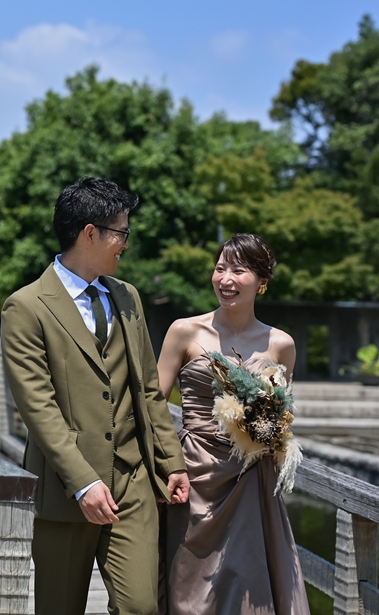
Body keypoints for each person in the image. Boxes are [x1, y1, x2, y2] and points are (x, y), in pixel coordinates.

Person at [1, 177, 190, 615]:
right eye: (122, 232)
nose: (126, 243)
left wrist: (172, 461)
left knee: (141, 608)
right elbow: (38, 408)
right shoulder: (26, 307)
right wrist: (83, 483)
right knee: (59, 609)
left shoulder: (128, 297)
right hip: (66, 489)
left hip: (133, 479)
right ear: (90, 233)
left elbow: (147, 389)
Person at [156, 233, 310, 614]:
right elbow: (151, 405)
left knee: (247, 586)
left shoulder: (281, 345)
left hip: (250, 480)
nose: (225, 279)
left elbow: (280, 415)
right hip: (193, 476)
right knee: (188, 588)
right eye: (220, 268)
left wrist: (268, 431)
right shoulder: (184, 331)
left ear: (262, 282)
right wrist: (164, 466)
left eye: (238, 271)